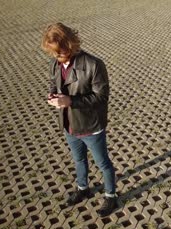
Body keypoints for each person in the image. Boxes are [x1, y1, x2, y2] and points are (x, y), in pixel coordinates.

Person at [41, 22, 118, 217]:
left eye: (60, 52)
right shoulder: (55, 63)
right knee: (78, 160)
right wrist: (52, 95)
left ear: (70, 44)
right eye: (53, 53)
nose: (57, 57)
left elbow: (101, 97)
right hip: (69, 125)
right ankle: (83, 188)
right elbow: (53, 83)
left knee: (103, 164)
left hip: (91, 126)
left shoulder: (93, 64)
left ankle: (111, 195)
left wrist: (70, 101)